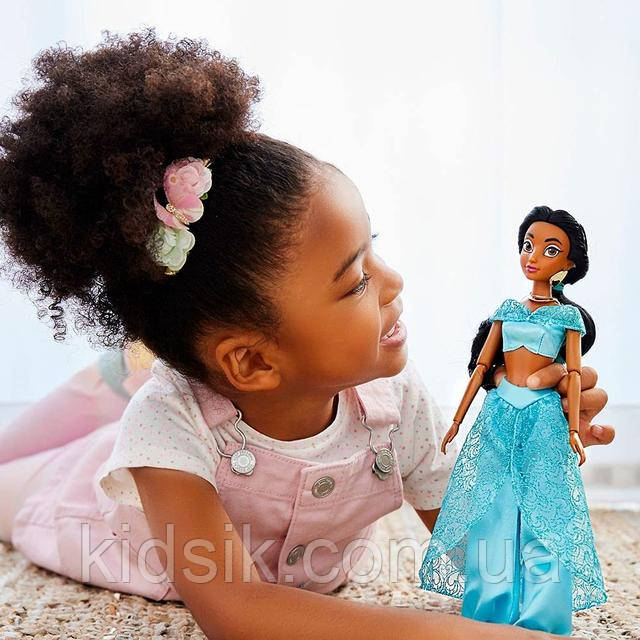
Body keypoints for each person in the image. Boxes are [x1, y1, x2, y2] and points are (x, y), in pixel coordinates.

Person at [0, 28, 614, 640]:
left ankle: (125, 373)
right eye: (356, 281)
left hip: (189, 394)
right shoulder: (167, 429)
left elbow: (489, 549)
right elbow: (238, 611)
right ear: (252, 362)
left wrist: (534, 438)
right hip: (73, 491)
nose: (394, 281)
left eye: (373, 249)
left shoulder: (394, 404)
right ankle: (120, 377)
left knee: (139, 392)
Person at [419, 208, 609, 636]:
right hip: (500, 412)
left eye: (550, 249)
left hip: (542, 416)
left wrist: (574, 430)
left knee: (546, 511)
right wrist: (456, 420)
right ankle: (487, 612)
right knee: (492, 509)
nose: (533, 256)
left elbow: (573, 372)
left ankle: (544, 618)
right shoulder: (506, 310)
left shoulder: (567, 318)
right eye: (527, 245)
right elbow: (482, 366)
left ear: (569, 264)